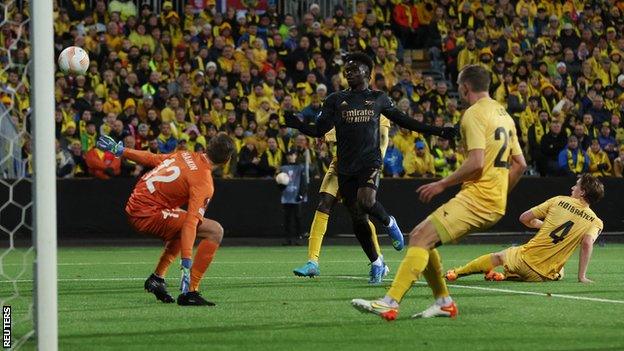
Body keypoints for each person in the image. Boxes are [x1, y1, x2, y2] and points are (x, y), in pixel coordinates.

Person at [351, 64, 526, 320]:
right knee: (424, 236)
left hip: (478, 198)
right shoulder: (505, 116)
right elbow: (520, 164)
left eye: (458, 86)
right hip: (492, 200)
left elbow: (476, 162)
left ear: (465, 87)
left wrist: (442, 184)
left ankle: (390, 302)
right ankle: (443, 302)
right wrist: (500, 193)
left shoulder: (474, 114)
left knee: (421, 237)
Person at [286, 52, 455, 283]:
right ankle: (376, 262)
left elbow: (404, 120)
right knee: (357, 218)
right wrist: (298, 125)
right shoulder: (335, 100)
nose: (348, 72)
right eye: (346, 69)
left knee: (366, 201)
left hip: (370, 162)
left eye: (353, 68)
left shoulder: (379, 98)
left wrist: (437, 131)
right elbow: (319, 130)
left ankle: (389, 222)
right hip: (345, 166)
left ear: (367, 72)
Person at [96, 132, 235, 306]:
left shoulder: (185, 154)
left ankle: (157, 278)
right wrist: (186, 262)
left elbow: (151, 158)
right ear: (227, 160)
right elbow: (191, 223)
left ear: (207, 147)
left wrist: (121, 150)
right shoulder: (204, 182)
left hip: (137, 203)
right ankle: (191, 291)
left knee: (179, 223)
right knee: (215, 231)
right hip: (147, 213)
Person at [446, 175, 604, 283]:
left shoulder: (558, 201)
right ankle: (505, 276)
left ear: (582, 192)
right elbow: (587, 243)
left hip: (523, 260)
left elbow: (524, 218)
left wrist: (538, 224)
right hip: (542, 276)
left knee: (499, 256)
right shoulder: (596, 221)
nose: (572, 187)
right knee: (560, 272)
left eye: (576, 185)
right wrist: (582, 276)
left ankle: (457, 272)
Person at [279, 149, 308, 246]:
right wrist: (280, 186)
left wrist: (301, 194)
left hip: (296, 197)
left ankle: (299, 238)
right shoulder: (283, 168)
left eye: (292, 154)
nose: (290, 156)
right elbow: (279, 183)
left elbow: (303, 182)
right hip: (286, 197)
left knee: (298, 218)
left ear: (295, 156)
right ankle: (288, 239)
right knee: (287, 219)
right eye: (288, 155)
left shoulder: (300, 167)